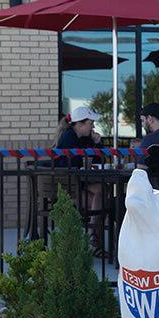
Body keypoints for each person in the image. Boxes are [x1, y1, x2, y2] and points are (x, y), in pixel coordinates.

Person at [54, 105, 105, 252]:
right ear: (80, 124)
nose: (93, 127)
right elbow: (69, 165)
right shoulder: (69, 137)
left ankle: (94, 238)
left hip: (76, 183)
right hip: (66, 188)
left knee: (102, 194)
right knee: (102, 196)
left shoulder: (81, 137)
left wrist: (96, 143)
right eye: (91, 123)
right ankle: (94, 237)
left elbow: (97, 158)